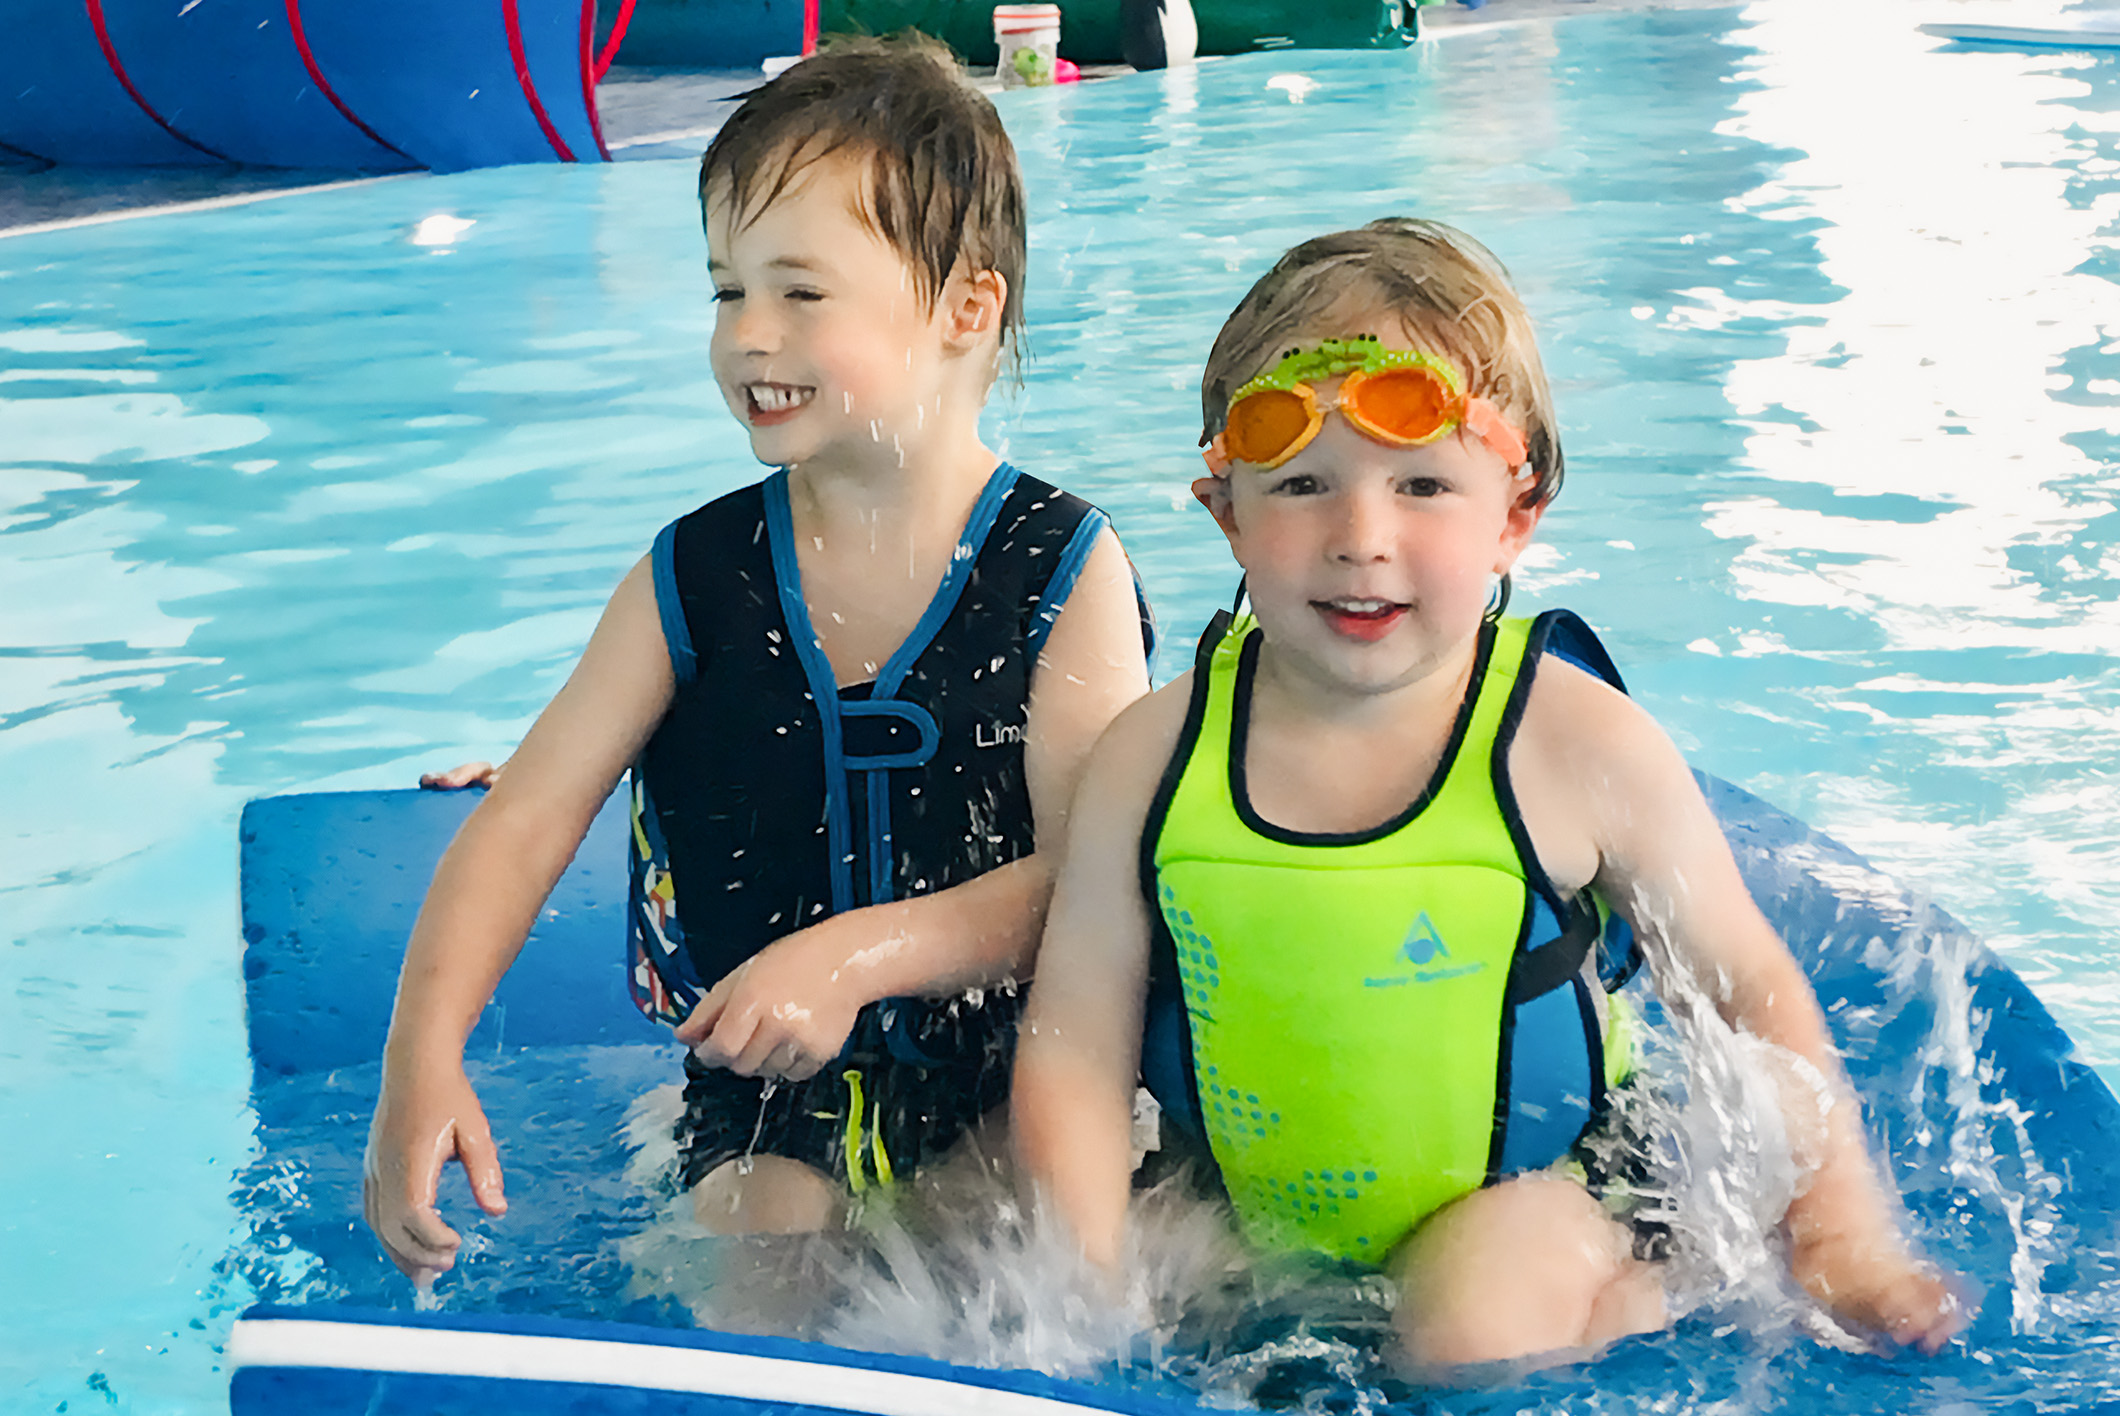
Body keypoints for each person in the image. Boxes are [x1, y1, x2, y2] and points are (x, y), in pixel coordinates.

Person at [1011, 218, 1964, 1371]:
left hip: (1534, 1201)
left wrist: (1840, 1240)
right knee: (1065, 1268)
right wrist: (1079, 1293)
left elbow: (1744, 991)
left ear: (1513, 515)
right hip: (1249, 1212)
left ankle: (1634, 1289)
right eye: (1302, 485)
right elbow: (1074, 1042)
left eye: (1421, 485)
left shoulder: (1574, 745)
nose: (1360, 540)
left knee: (1471, 1331)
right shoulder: (1151, 757)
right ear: (1227, 515)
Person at [365, 36, 1151, 1285]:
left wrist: (850, 957)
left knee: (1042, 1266)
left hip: (1023, 1092)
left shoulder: (1062, 569)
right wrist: (423, 1059)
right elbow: (527, 821)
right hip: (765, 1112)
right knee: (753, 1264)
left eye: (800, 292)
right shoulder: (689, 578)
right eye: (727, 291)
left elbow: (1087, 884)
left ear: (964, 309)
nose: (748, 336)